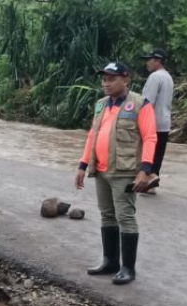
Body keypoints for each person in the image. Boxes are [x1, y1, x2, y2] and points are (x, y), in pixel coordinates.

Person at [74, 62, 158, 285]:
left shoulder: (140, 104)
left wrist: (145, 170)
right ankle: (110, 261)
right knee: (107, 216)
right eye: (104, 79)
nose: (106, 83)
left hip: (125, 171)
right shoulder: (101, 105)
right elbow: (93, 135)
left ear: (125, 79)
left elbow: (150, 138)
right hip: (101, 170)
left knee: (125, 217)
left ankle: (128, 268)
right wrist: (82, 166)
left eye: (111, 79)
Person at [141, 48, 174, 195]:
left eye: (149, 60)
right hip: (164, 122)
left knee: (146, 152)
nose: (147, 63)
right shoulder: (168, 77)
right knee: (158, 153)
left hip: (152, 121)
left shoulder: (155, 77)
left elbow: (147, 101)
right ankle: (151, 183)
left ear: (157, 61)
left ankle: (147, 179)